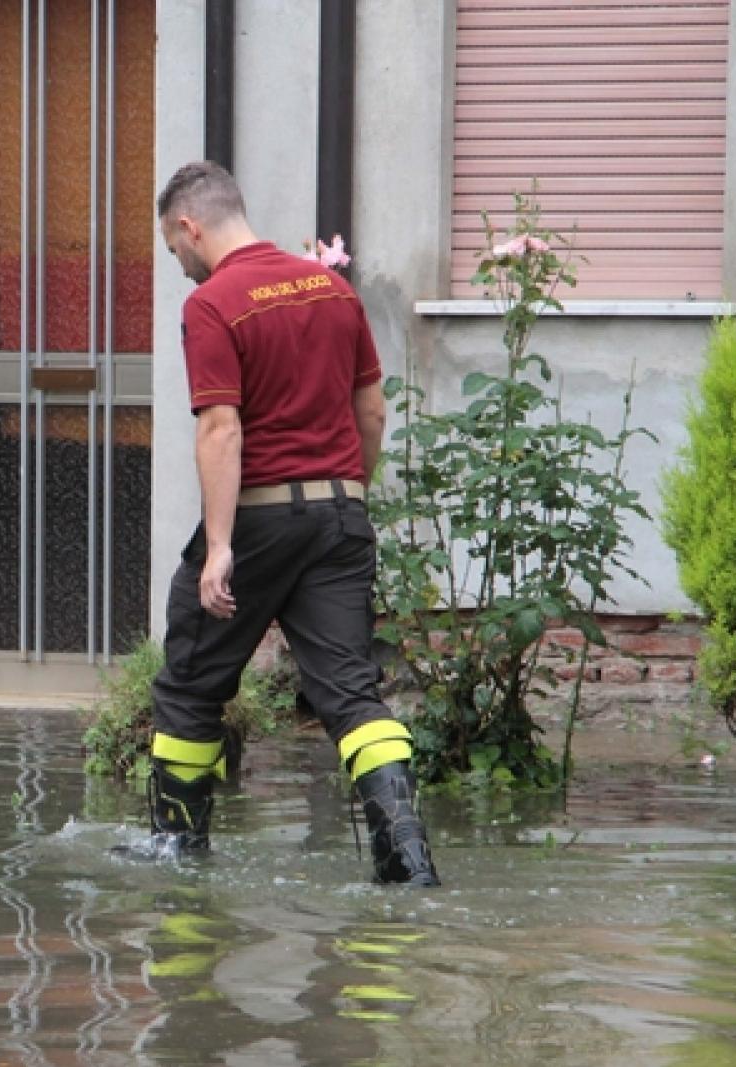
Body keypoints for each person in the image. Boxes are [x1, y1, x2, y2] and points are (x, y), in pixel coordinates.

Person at [146, 160, 439, 885]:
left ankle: (175, 855)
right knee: (348, 691)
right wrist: (346, 500)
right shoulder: (331, 288)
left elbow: (221, 429)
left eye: (171, 248)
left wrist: (219, 549)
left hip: (259, 521)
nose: (178, 265)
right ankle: (406, 858)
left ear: (191, 226)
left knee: (189, 684)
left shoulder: (213, 303)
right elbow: (371, 411)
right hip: (342, 513)